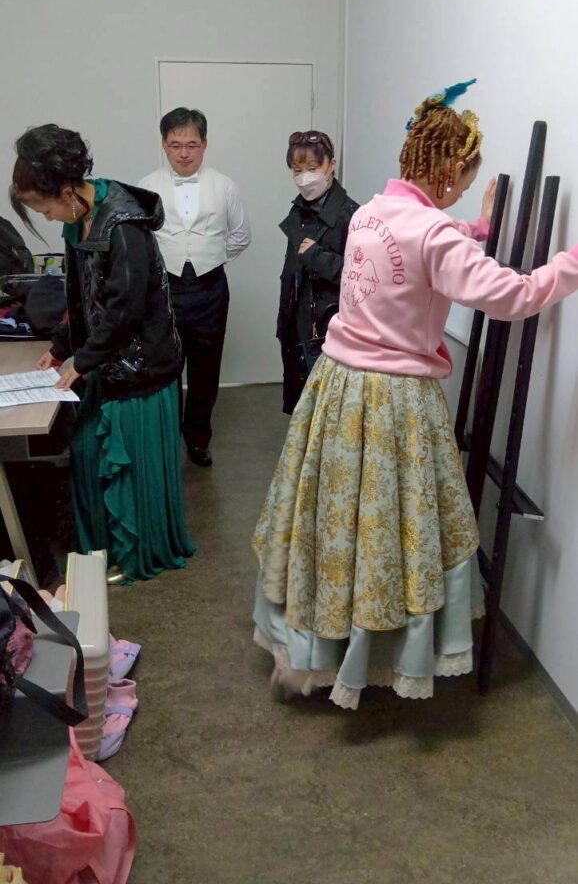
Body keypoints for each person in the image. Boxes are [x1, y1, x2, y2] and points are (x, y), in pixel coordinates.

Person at [251, 80, 578, 710]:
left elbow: (424, 241)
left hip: (336, 384)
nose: (460, 193)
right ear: (450, 172)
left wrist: (476, 226)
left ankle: (310, 646)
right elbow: (510, 295)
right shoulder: (435, 235)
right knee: (387, 534)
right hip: (393, 399)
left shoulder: (371, 211)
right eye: (462, 181)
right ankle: (363, 651)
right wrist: (569, 263)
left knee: (334, 523)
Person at [10, 124, 195, 585]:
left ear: (67, 192)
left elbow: (124, 311)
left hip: (141, 369)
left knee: (126, 469)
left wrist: (83, 360)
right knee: (88, 453)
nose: (47, 218)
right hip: (106, 361)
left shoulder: (123, 226)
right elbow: (80, 296)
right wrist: (61, 348)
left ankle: (136, 553)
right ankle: (104, 547)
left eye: (44, 208)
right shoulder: (79, 217)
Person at [139, 107, 251, 467]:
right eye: (175, 145)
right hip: (163, 289)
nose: (184, 153)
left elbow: (240, 236)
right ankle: (167, 439)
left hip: (210, 289)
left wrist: (209, 258)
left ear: (204, 144)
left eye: (191, 145)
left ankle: (199, 440)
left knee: (206, 369)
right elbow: (140, 241)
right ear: (164, 145)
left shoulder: (225, 185)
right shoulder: (146, 186)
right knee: (166, 367)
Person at [278, 130, 358, 414]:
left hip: (330, 326)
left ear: (331, 165)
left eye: (312, 169)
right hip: (297, 322)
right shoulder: (299, 211)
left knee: (328, 409)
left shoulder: (352, 215)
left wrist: (317, 257)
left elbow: (362, 277)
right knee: (302, 407)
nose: (304, 178)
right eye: (297, 170)